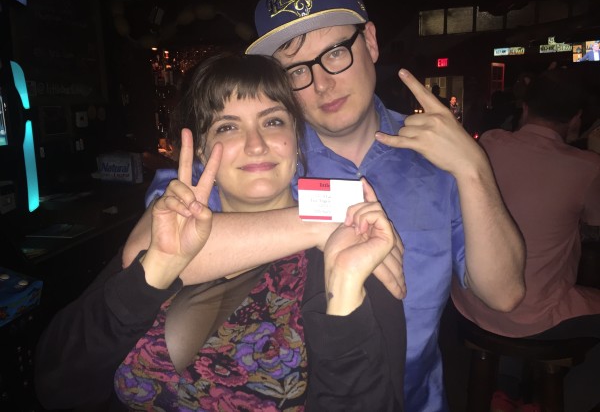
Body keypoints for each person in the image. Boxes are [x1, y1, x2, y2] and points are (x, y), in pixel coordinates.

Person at [123, 0, 525, 411]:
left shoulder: (436, 158)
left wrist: (473, 168)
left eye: (335, 53)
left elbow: (504, 294)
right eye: (296, 69)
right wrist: (320, 224)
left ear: (370, 41)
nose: (321, 83)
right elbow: (144, 256)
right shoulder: (262, 155)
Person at [35, 53, 406, 411]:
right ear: (200, 150)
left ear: (297, 138)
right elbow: (56, 385)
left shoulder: (347, 251)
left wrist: (343, 294)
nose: (256, 144)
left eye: (273, 121)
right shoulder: (170, 230)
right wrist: (154, 273)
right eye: (228, 127)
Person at [451, 68, 600, 412]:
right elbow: (594, 224)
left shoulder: (490, 142)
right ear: (576, 119)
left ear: (526, 108)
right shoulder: (588, 166)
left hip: (469, 302)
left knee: (532, 285)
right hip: (529, 316)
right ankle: (563, 399)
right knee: (541, 296)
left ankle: (505, 390)